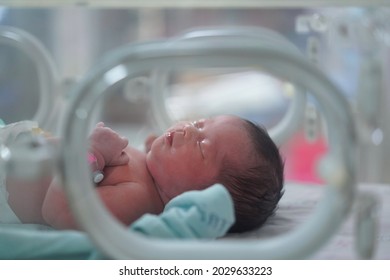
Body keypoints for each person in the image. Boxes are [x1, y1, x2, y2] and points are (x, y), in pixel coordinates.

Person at [5, 115, 284, 234]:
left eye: (201, 146)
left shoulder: (138, 199)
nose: (188, 129)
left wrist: (91, 154)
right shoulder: (149, 173)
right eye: (200, 123)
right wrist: (152, 148)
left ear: (201, 195)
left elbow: (60, 213)